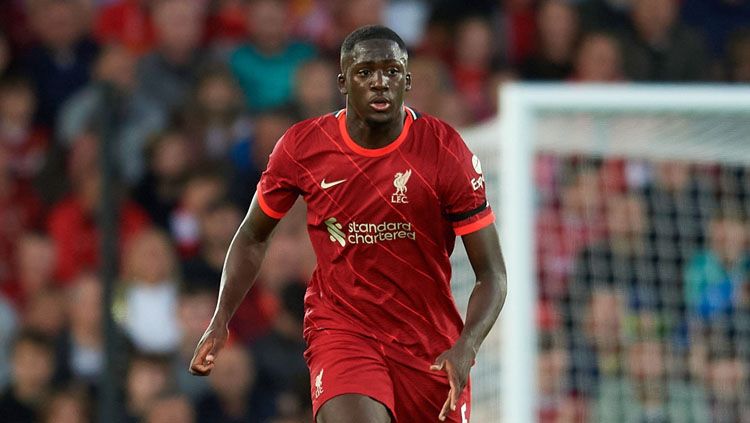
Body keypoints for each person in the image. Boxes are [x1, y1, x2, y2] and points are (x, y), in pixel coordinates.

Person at [189, 25, 507, 422]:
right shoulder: (303, 146)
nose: (379, 83)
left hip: (428, 344)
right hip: (342, 328)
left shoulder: (445, 150)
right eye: (365, 72)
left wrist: (467, 345)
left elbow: (491, 273)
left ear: (407, 80)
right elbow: (252, 236)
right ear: (343, 81)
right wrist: (221, 318)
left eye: (391, 72)